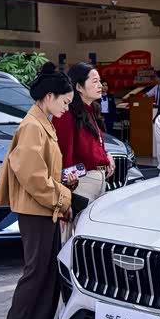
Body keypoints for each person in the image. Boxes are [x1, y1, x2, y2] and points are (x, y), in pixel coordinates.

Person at [0, 62, 76, 319]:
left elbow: (41, 172)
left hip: (44, 208)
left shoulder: (43, 122)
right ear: (49, 96)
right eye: (65, 101)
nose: (67, 107)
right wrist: (64, 198)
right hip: (37, 210)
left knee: (47, 273)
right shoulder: (32, 126)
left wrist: (61, 190)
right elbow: (33, 176)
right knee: (36, 274)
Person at [54, 63, 115, 215]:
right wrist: (66, 187)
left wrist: (106, 155)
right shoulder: (67, 114)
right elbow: (63, 151)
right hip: (80, 182)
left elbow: (94, 143)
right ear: (79, 87)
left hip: (99, 180)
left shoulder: (91, 110)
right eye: (95, 81)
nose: (100, 86)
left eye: (100, 81)